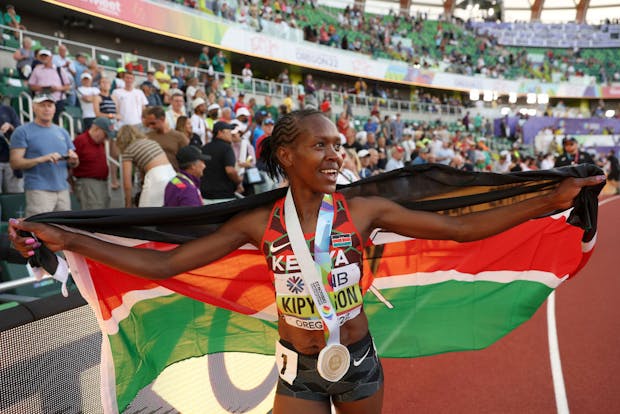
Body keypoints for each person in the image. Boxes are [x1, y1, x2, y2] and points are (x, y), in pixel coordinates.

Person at [8, 109, 605, 414]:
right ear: (287, 156)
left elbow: (460, 227)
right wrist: (74, 242)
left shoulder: (363, 211)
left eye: (338, 145)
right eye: (321, 145)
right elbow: (169, 267)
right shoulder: (255, 224)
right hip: (298, 368)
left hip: (361, 359)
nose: (334, 154)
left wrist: (543, 202)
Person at [9, 94, 79, 217]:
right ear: (34, 107)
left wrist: (73, 159)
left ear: (54, 109)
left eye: (50, 105)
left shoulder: (62, 131)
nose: (46, 109)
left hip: (63, 189)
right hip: (38, 190)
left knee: (63, 232)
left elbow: (74, 163)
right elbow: (15, 163)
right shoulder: (22, 131)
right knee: (39, 231)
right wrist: (42, 159)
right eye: (42, 105)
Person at [115, 125, 175, 208]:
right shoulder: (151, 142)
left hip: (156, 177)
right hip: (172, 174)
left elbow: (127, 184)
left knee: (144, 211)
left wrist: (128, 204)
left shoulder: (128, 151)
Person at [71, 117, 116, 210]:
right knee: (94, 213)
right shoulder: (81, 141)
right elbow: (70, 164)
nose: (106, 138)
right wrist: (73, 184)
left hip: (101, 183)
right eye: (105, 135)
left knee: (103, 211)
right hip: (88, 184)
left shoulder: (99, 142)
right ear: (97, 129)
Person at [200, 121, 242, 203]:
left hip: (205, 196)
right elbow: (230, 170)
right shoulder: (227, 148)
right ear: (220, 132)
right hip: (224, 197)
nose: (231, 134)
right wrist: (238, 181)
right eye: (229, 131)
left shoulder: (204, 148)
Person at [144, 106, 190, 171]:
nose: (151, 126)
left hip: (174, 176)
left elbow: (187, 160)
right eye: (149, 124)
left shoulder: (179, 137)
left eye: (153, 123)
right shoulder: (147, 137)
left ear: (162, 119)